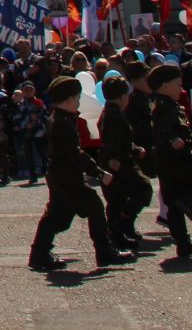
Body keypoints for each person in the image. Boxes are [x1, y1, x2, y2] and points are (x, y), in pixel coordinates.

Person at [28, 76, 124, 272]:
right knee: (93, 206)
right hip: (66, 176)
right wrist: (98, 172)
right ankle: (104, 252)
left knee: (57, 215)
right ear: (70, 100)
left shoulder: (59, 118)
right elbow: (74, 154)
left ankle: (39, 254)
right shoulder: (63, 123)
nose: (80, 103)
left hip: (60, 174)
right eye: (78, 98)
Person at [147, 62, 192, 260]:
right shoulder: (161, 106)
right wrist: (171, 140)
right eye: (177, 84)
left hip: (171, 157)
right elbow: (160, 130)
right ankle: (190, 201)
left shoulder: (171, 105)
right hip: (171, 158)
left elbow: (183, 129)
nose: (181, 88)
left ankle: (184, 244)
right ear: (164, 86)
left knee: (173, 202)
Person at [96, 76, 150, 249]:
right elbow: (111, 139)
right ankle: (123, 223)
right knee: (143, 187)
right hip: (118, 161)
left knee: (117, 198)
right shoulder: (113, 114)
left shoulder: (112, 111)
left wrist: (135, 148)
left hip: (116, 159)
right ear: (122, 96)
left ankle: (118, 234)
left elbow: (122, 138)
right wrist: (114, 158)